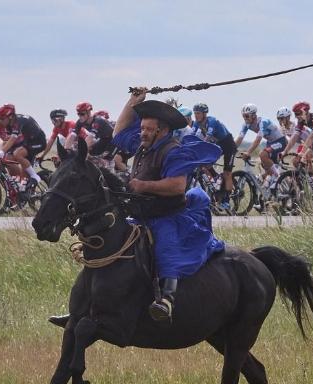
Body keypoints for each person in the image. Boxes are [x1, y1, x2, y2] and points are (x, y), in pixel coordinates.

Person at [113, 89, 225, 321]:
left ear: (161, 131)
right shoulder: (144, 144)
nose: (142, 133)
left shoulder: (172, 150)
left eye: (147, 129)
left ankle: (167, 300)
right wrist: (132, 102)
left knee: (166, 250)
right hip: (140, 215)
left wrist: (143, 186)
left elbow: (176, 186)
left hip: (167, 216)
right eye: (142, 128)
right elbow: (119, 132)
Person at [191, 102, 237, 209]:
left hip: (228, 144)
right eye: (195, 113)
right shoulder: (196, 124)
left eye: (198, 113)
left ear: (204, 114)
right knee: (205, 163)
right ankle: (217, 178)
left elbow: (207, 137)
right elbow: (191, 135)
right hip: (218, 145)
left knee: (227, 173)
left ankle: (226, 200)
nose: (196, 116)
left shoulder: (212, 121)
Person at [237, 104, 287, 190]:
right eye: (243, 116)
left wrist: (248, 152)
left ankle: (278, 178)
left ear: (253, 115)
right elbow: (240, 138)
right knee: (266, 167)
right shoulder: (246, 124)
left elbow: (258, 139)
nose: (245, 118)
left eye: (246, 116)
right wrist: (231, 149)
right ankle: (277, 187)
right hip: (270, 142)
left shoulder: (262, 122)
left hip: (280, 141)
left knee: (263, 155)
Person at [74, 101, 115, 169]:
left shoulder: (97, 121)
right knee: (91, 152)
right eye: (78, 114)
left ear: (89, 112)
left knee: (107, 162)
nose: (80, 116)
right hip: (103, 139)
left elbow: (91, 138)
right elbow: (72, 137)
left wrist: (81, 152)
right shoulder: (79, 122)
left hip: (114, 140)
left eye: (82, 114)